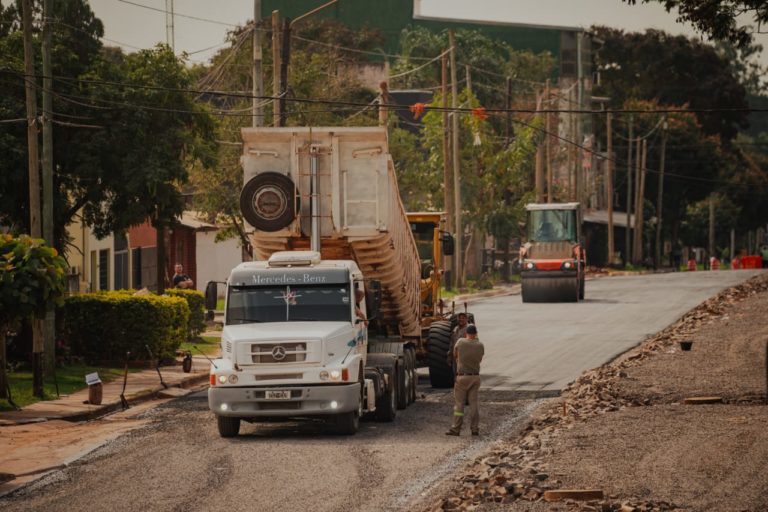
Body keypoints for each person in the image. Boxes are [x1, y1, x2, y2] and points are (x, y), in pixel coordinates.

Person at [445, 324, 484, 437]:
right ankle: (475, 429)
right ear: (475, 334)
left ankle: (456, 429)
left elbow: (455, 354)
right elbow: (480, 359)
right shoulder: (480, 345)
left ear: (466, 333)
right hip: (475, 377)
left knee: (459, 404)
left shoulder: (461, 342)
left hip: (462, 377)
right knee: (474, 404)